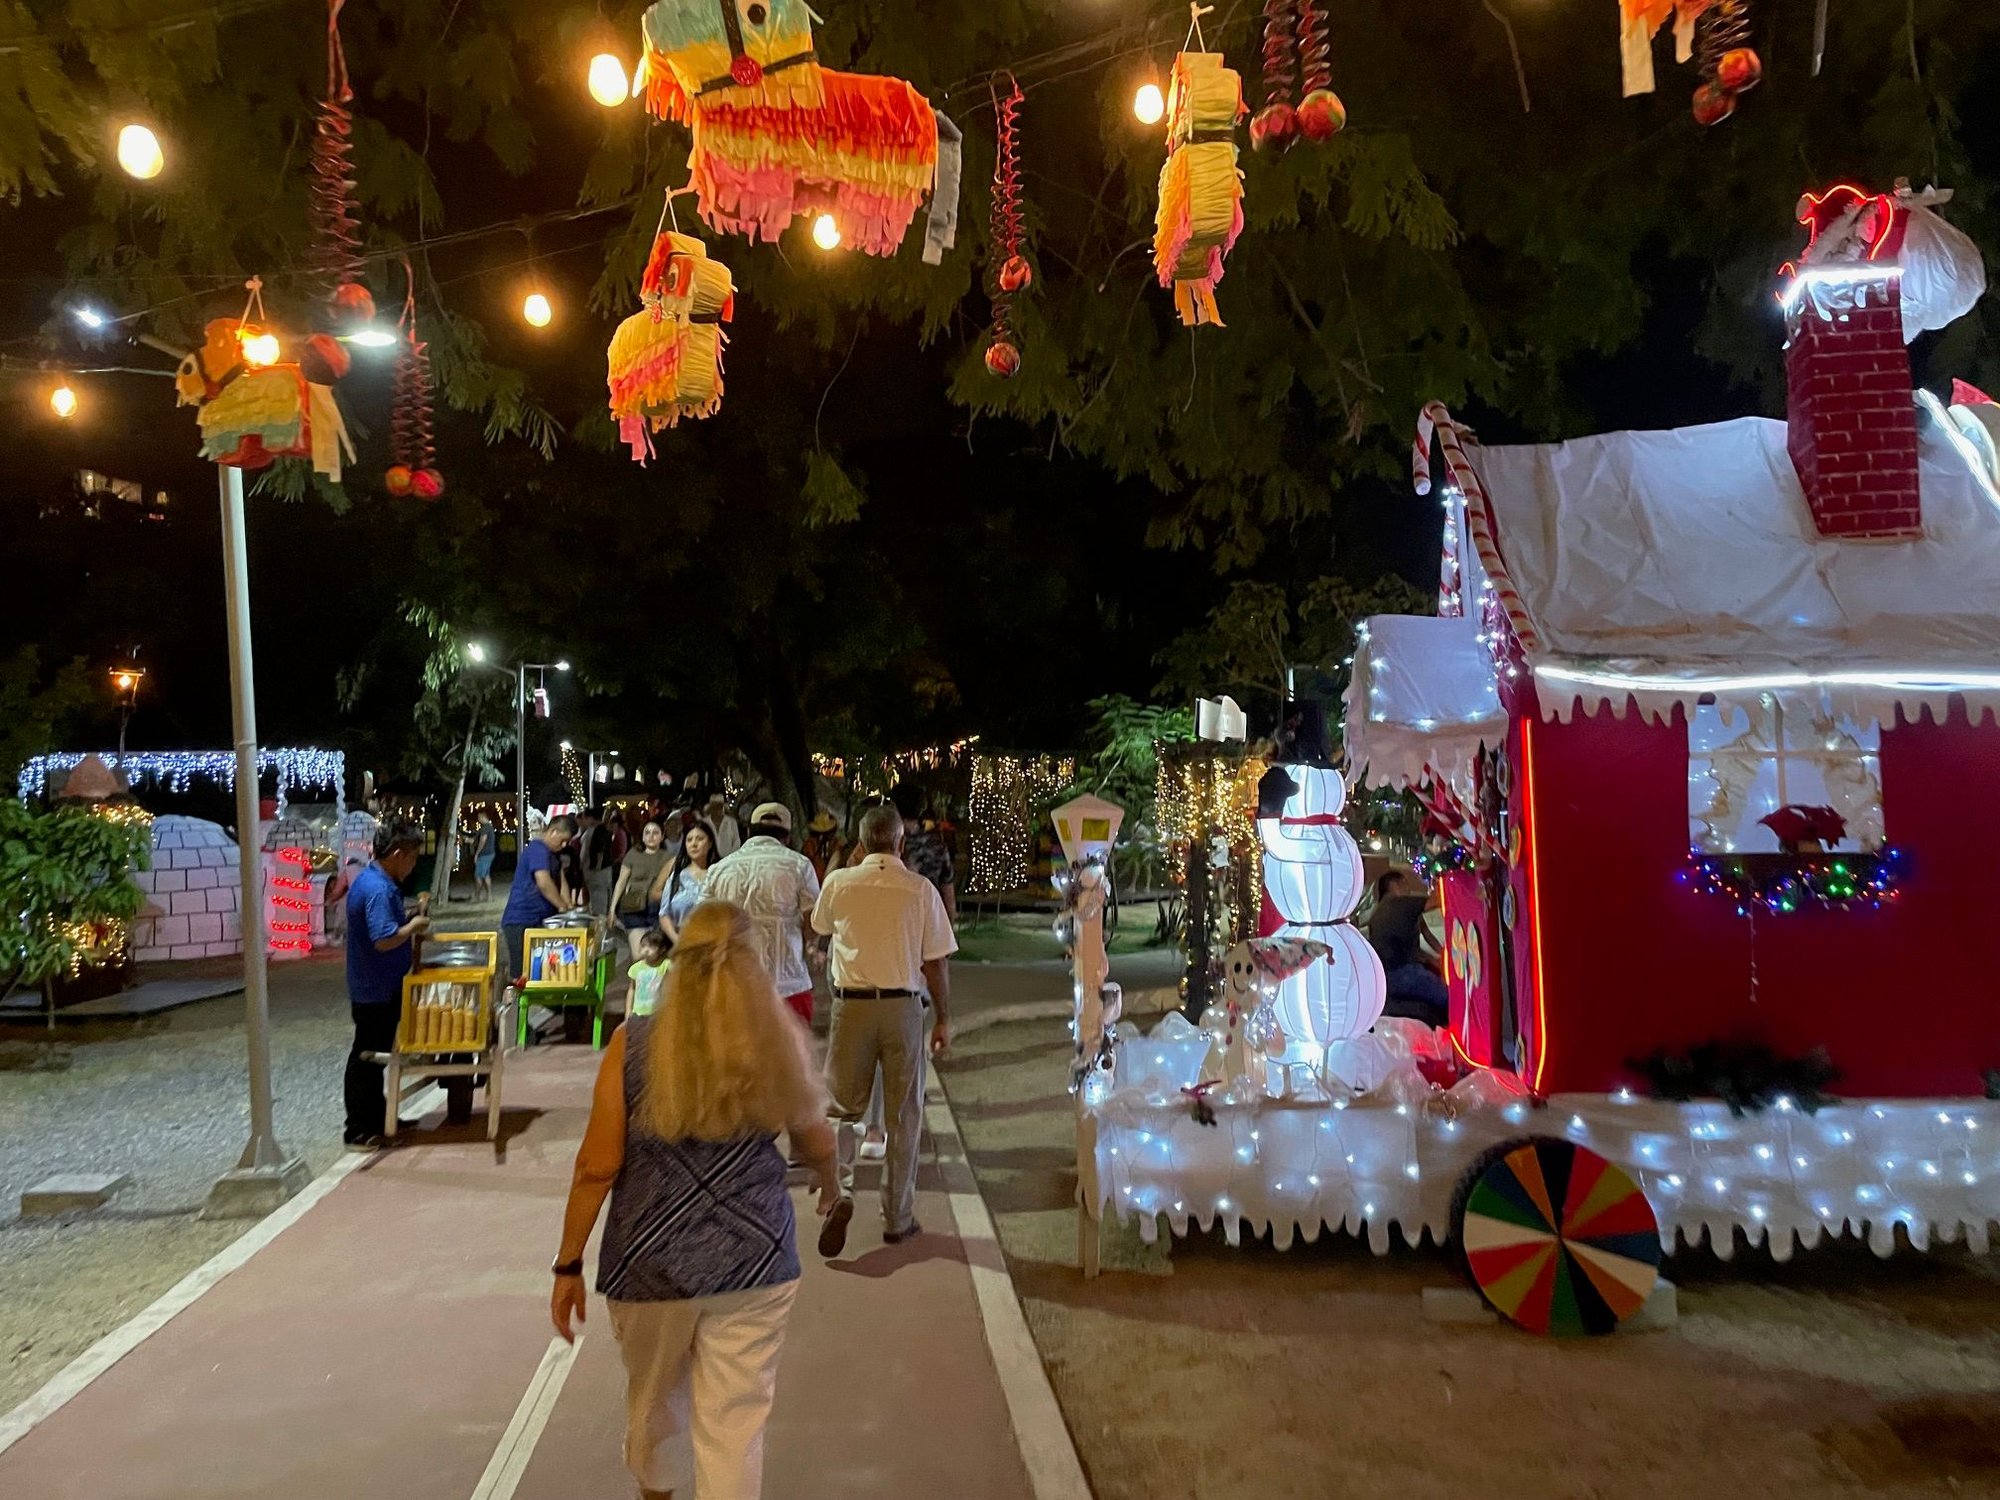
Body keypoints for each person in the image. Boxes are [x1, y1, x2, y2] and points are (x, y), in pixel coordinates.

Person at [551, 902, 838, 1500]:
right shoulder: (776, 1039)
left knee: (654, 1413)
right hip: (756, 1261)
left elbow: (597, 1165)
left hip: (651, 1267)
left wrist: (569, 1263)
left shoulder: (634, 1045)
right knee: (733, 1427)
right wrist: (832, 1186)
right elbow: (816, 1142)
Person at [810, 804, 956, 1251]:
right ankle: (897, 1217)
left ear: (859, 842)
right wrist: (945, 1017)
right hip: (903, 1009)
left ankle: (840, 1193)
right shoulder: (920, 889)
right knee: (903, 1115)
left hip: (851, 1007)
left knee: (841, 1109)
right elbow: (935, 962)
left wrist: (854, 865)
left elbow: (820, 925)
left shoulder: (839, 883)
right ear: (901, 842)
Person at [343, 821, 430, 1150]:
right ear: (396, 854)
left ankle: (379, 1119)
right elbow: (383, 939)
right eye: (412, 858)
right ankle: (358, 1129)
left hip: (381, 986)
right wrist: (413, 927)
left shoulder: (378, 882)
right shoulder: (377, 888)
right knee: (366, 1059)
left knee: (378, 1057)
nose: (413, 865)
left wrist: (407, 918)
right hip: (373, 990)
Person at [700, 804, 820, 1027]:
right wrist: (810, 946)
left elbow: (702, 923)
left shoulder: (719, 869)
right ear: (786, 837)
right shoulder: (800, 865)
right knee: (789, 1060)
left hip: (732, 984)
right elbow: (813, 922)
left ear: (748, 832)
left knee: (735, 1059)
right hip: (788, 986)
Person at [1367, 869, 1449, 1026]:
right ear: (1393, 885)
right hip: (1403, 972)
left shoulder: (1376, 914)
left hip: (1385, 978)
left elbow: (1422, 930)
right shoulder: (1398, 903)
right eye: (1404, 884)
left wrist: (1438, 954)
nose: (1408, 889)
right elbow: (1437, 901)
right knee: (1448, 997)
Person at [504, 814, 578, 986]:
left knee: (541, 969)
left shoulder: (554, 856)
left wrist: (568, 908)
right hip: (520, 920)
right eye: (563, 840)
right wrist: (561, 906)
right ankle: (509, 1005)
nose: (565, 845)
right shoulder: (537, 849)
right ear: (553, 831)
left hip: (540, 921)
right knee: (520, 973)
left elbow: (561, 882)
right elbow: (543, 882)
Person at [893, 786, 958, 926]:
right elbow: (948, 897)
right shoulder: (937, 847)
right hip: (929, 923)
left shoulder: (885, 845)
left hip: (895, 923)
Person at [612, 819, 675, 960]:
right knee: (639, 955)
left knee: (657, 955)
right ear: (642, 836)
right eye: (647, 833)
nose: (651, 836)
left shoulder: (668, 857)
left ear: (662, 836)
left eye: (655, 833)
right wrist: (612, 910)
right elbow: (621, 882)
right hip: (634, 907)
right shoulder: (633, 854)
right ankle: (634, 982)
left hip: (657, 908)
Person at [657, 820, 719, 948]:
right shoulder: (677, 877)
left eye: (699, 839)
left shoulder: (718, 875)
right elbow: (664, 914)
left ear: (710, 843)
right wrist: (678, 941)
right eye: (689, 840)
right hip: (682, 945)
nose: (694, 844)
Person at [578, 806, 616, 917]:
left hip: (595, 871)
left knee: (598, 905)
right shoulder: (605, 830)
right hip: (605, 871)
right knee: (605, 901)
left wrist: (595, 867)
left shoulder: (593, 832)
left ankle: (600, 928)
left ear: (590, 818)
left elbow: (587, 853)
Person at [626, 927, 670, 1018]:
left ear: (662, 949)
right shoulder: (635, 968)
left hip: (658, 1013)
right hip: (638, 1013)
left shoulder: (665, 965)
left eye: (652, 947)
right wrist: (628, 1010)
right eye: (643, 946)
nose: (646, 950)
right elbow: (632, 989)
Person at [702, 791, 743, 858]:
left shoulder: (731, 822)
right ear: (711, 807)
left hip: (728, 860)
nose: (717, 809)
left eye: (719, 806)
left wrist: (730, 858)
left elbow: (737, 841)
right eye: (714, 806)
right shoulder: (704, 822)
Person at [471, 811, 499, 902]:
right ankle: (489, 896)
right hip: (490, 853)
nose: (478, 820)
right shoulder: (489, 827)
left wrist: (477, 853)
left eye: (479, 818)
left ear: (483, 817)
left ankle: (477, 896)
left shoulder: (485, 828)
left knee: (478, 876)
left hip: (484, 854)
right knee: (486, 875)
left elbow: (483, 841)